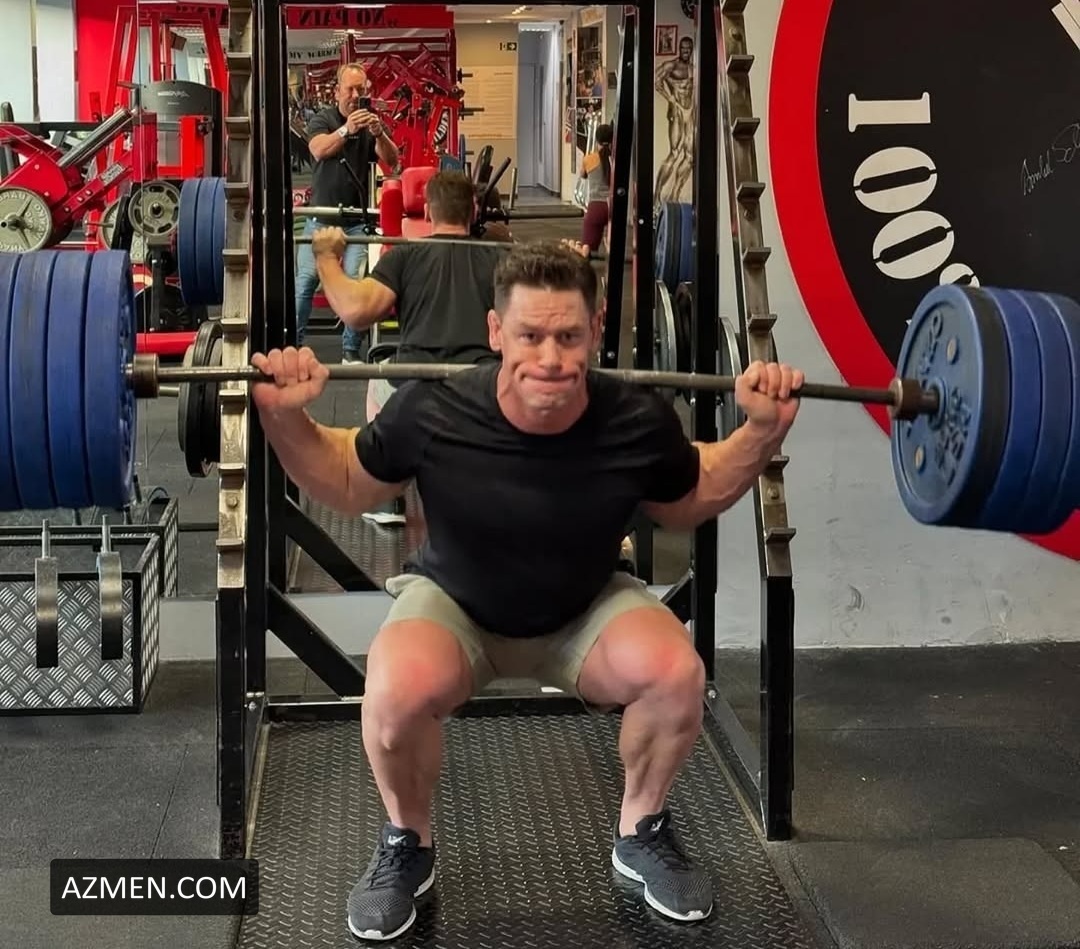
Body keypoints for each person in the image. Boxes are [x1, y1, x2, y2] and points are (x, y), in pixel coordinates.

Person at [250, 241, 803, 942]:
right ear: (495, 332)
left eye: (568, 337)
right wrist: (285, 417)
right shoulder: (436, 408)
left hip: (584, 608)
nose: (550, 358)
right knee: (392, 693)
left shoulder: (634, 418)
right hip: (457, 605)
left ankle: (642, 830)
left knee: (676, 674)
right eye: (530, 336)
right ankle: (407, 843)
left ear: (596, 330)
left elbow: (691, 494)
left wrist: (760, 430)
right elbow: (349, 478)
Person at [311, 171, 504, 526]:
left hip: (416, 392)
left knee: (378, 378)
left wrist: (325, 256)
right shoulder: (499, 258)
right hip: (484, 392)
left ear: (428, 212)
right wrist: (575, 259)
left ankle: (386, 497)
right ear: (474, 211)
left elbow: (355, 312)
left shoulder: (405, 256)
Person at [296, 62, 400, 362]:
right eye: (350, 89)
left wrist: (379, 135)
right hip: (322, 218)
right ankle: (295, 345)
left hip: (357, 221)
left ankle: (350, 350)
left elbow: (392, 160)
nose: (355, 95)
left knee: (355, 284)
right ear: (338, 91)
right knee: (305, 283)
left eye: (360, 89)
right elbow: (318, 149)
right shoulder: (323, 118)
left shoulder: (370, 121)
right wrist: (346, 129)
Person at [576, 122, 612, 255]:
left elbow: (582, 175)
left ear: (596, 140)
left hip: (595, 208)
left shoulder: (589, 159)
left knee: (586, 249)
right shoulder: (615, 160)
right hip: (613, 207)